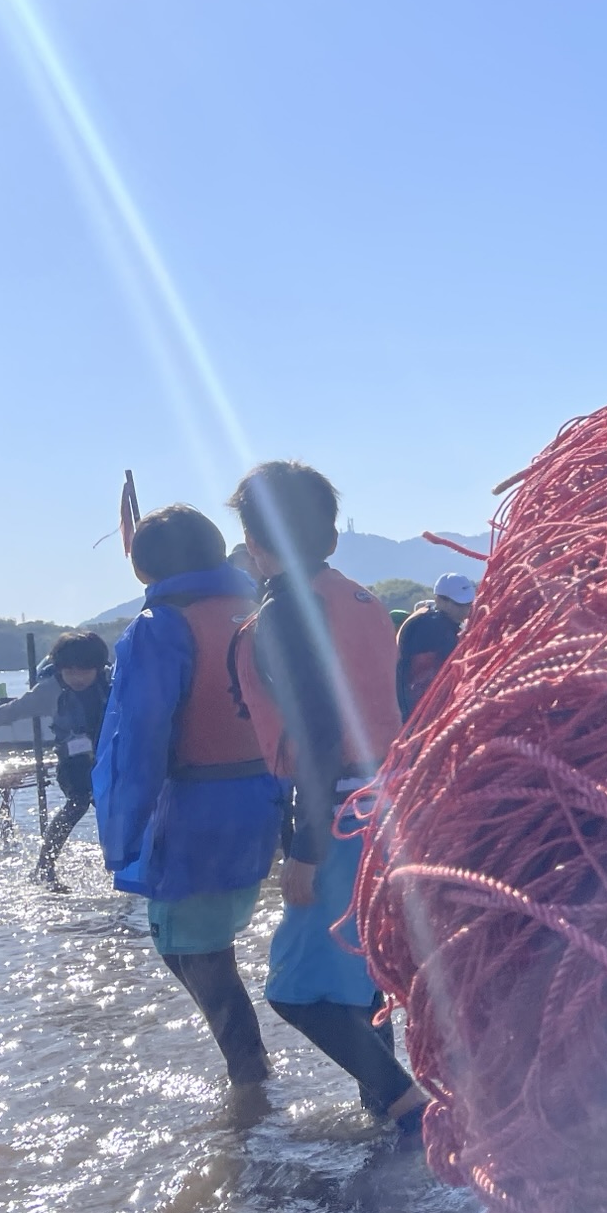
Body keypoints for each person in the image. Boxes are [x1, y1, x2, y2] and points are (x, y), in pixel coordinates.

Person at [227, 461, 428, 1132]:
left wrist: (305, 852)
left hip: (339, 809)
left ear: (255, 543)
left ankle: (405, 1107)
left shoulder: (287, 612)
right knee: (365, 966)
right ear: (331, 536)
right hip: (389, 800)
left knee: (295, 991)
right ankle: (388, 1119)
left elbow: (315, 733)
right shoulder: (361, 599)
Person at [92, 506, 283, 1086]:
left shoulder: (158, 627)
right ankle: (252, 1083)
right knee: (191, 947)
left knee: (199, 955)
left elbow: (139, 738)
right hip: (263, 796)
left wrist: (122, 834)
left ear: (143, 566)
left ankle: (252, 1091)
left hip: (197, 806)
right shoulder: (254, 612)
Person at [0, 630, 114, 888]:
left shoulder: (113, 684)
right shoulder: (49, 690)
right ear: (58, 669)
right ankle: (44, 867)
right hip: (74, 765)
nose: (76, 678)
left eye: (83, 671)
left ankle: (117, 866)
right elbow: (12, 711)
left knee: (114, 811)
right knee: (78, 804)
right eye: (69, 671)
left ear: (98, 667)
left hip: (108, 759)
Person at [394, 571, 475, 717]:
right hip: (423, 713)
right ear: (439, 600)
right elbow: (423, 679)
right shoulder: (432, 627)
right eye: (459, 605)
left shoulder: (433, 621)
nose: (465, 610)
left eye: (468, 605)